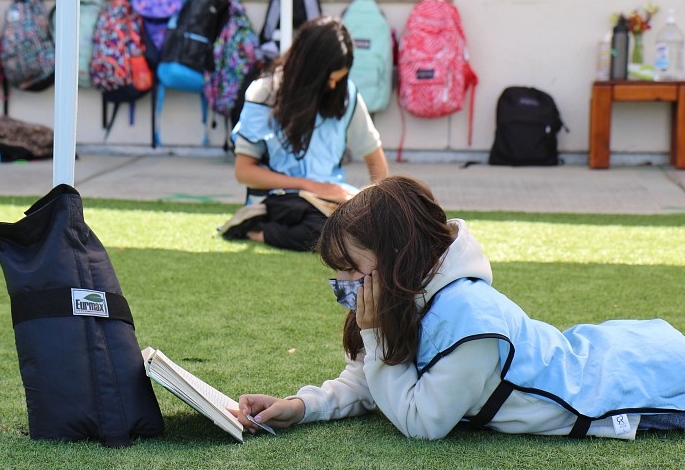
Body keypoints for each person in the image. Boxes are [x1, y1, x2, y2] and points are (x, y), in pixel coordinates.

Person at [234, 176, 685, 440]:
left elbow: (422, 421)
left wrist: (371, 334)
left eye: (352, 269)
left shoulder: (471, 320)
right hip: (599, 351)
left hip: (626, 383)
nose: (344, 284)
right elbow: (371, 379)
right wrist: (300, 406)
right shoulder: (410, 290)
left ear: (398, 256)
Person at [219, 17, 390, 252]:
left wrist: (378, 207)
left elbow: (375, 157)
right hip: (281, 199)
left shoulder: (346, 94)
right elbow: (244, 172)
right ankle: (256, 230)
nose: (333, 87)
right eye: (329, 79)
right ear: (309, 69)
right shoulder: (264, 93)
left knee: (370, 226)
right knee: (326, 228)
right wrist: (311, 186)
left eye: (338, 80)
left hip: (329, 199)